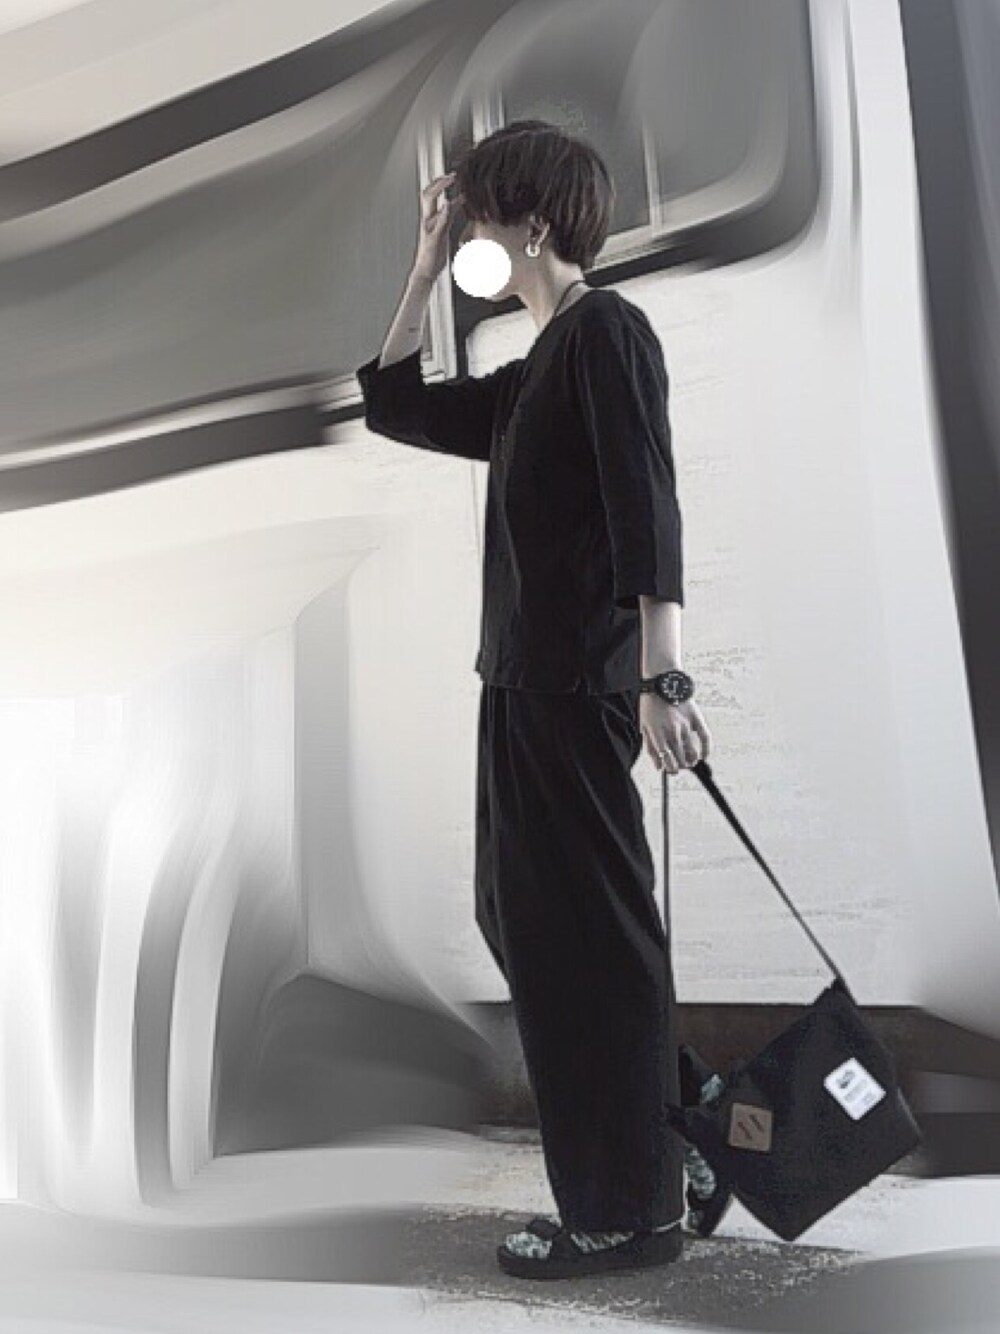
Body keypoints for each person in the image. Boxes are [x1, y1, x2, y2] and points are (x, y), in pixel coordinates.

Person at [355, 120, 713, 1280]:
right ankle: (688, 1130)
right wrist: (421, 268)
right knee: (521, 921)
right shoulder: (533, 371)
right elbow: (395, 404)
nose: (469, 234)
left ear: (533, 225)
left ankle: (626, 1211)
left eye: (478, 218)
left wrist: (662, 675)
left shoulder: (606, 333)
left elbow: (646, 503)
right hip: (516, 685)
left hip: (577, 690)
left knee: (584, 946)